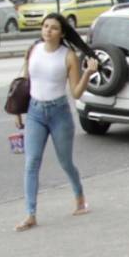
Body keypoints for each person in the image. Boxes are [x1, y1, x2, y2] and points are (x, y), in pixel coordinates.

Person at [13, 13, 99, 231]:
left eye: (53, 28)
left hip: (59, 113)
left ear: (61, 33)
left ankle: (79, 196)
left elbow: (76, 93)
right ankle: (30, 214)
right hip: (35, 112)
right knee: (32, 162)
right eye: (45, 26)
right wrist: (17, 111)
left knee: (65, 162)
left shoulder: (68, 56)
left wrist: (88, 73)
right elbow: (24, 83)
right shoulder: (33, 50)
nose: (47, 31)